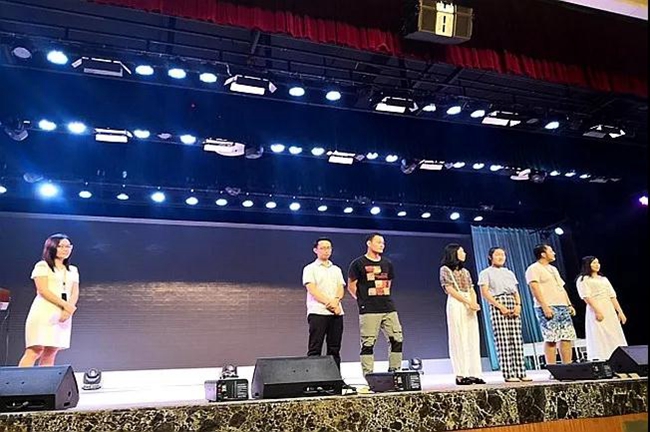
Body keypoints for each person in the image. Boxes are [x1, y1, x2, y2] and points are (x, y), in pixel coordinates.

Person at [18, 234, 79, 367]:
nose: (65, 249)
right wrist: (66, 306)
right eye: (61, 246)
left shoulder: (73, 270)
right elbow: (42, 290)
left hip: (64, 313)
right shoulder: (42, 266)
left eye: (68, 246)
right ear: (52, 247)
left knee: (51, 351)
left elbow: (75, 292)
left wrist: (68, 310)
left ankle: (43, 380)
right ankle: (22, 379)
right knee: (35, 350)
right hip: (44, 310)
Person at [348, 233, 403, 377]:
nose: (382, 245)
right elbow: (351, 286)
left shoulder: (387, 264)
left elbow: (388, 284)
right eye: (378, 242)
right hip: (369, 309)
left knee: (397, 338)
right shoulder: (358, 263)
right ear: (369, 243)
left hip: (388, 307)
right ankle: (369, 375)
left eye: (383, 243)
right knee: (368, 342)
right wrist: (362, 300)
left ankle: (395, 372)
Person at [478, 247, 532, 382]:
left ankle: (521, 372)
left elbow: (515, 291)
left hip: (512, 302)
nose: (501, 257)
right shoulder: (485, 273)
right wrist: (500, 306)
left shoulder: (509, 272)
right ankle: (508, 373)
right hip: (498, 303)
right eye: (497, 254)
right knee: (503, 340)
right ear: (490, 257)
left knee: (516, 339)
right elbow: (485, 293)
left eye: (503, 255)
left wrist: (518, 305)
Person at [439, 243, 485, 385]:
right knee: (458, 337)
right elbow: (449, 289)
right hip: (456, 302)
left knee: (472, 337)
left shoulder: (465, 271)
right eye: (461, 251)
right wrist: (467, 302)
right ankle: (461, 374)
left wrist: (474, 302)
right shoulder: (445, 269)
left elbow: (471, 289)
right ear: (454, 253)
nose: (464, 253)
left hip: (469, 303)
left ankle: (475, 373)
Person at [525, 244, 576, 366]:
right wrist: (544, 306)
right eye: (551, 251)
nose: (554, 253)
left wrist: (569, 304)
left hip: (562, 306)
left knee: (566, 337)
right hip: (548, 306)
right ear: (543, 254)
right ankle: (552, 368)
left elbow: (561, 287)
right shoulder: (533, 269)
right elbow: (534, 288)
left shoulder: (553, 269)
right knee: (551, 338)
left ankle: (567, 367)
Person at [302, 237, 346, 369]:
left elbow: (340, 288)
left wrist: (336, 301)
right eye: (322, 248)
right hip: (318, 312)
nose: (326, 251)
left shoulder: (336, 269)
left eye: (328, 248)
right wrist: (330, 304)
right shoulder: (310, 268)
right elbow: (312, 289)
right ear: (315, 250)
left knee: (334, 348)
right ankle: (313, 377)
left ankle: (335, 377)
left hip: (336, 313)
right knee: (315, 348)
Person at [576, 256, 627, 361]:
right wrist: (597, 311)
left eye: (598, 263)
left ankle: (619, 357)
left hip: (609, 308)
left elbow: (612, 296)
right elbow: (586, 296)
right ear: (588, 265)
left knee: (614, 333)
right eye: (594, 263)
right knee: (599, 333)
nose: (597, 265)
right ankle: (602, 357)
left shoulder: (603, 279)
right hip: (596, 307)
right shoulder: (583, 279)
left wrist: (620, 311)